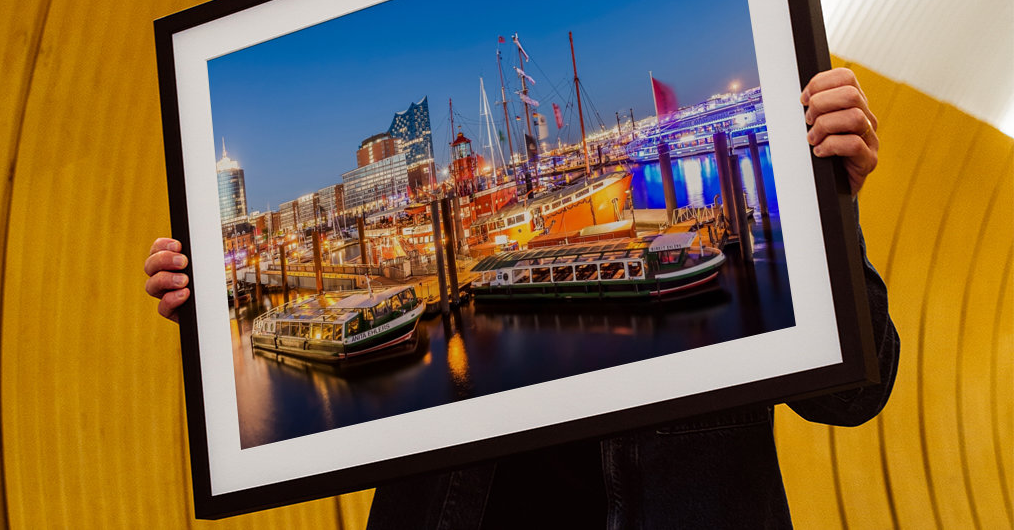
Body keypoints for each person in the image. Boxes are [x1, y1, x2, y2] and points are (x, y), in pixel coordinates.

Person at [144, 68, 898, 528]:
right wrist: (210, 314)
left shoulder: (759, 252)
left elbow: (855, 394)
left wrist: (831, 204)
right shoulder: (453, 303)